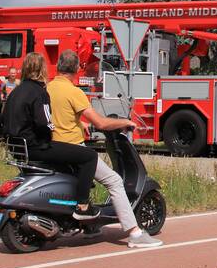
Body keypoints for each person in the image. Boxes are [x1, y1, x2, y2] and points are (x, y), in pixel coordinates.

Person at [46, 50, 162, 248]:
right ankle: (135, 234)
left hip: (54, 147)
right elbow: (100, 123)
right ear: (77, 69)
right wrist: (125, 122)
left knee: (85, 182)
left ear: (58, 67)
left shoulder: (48, 88)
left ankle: (90, 226)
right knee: (114, 181)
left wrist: (80, 124)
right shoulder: (74, 92)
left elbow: (59, 116)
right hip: (73, 148)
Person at [1, 52, 99, 220]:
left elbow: (0, 123)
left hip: (17, 149)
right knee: (89, 156)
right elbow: (44, 123)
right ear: (43, 69)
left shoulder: (15, 92)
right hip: (36, 147)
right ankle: (83, 206)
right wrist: (51, 133)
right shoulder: (40, 92)